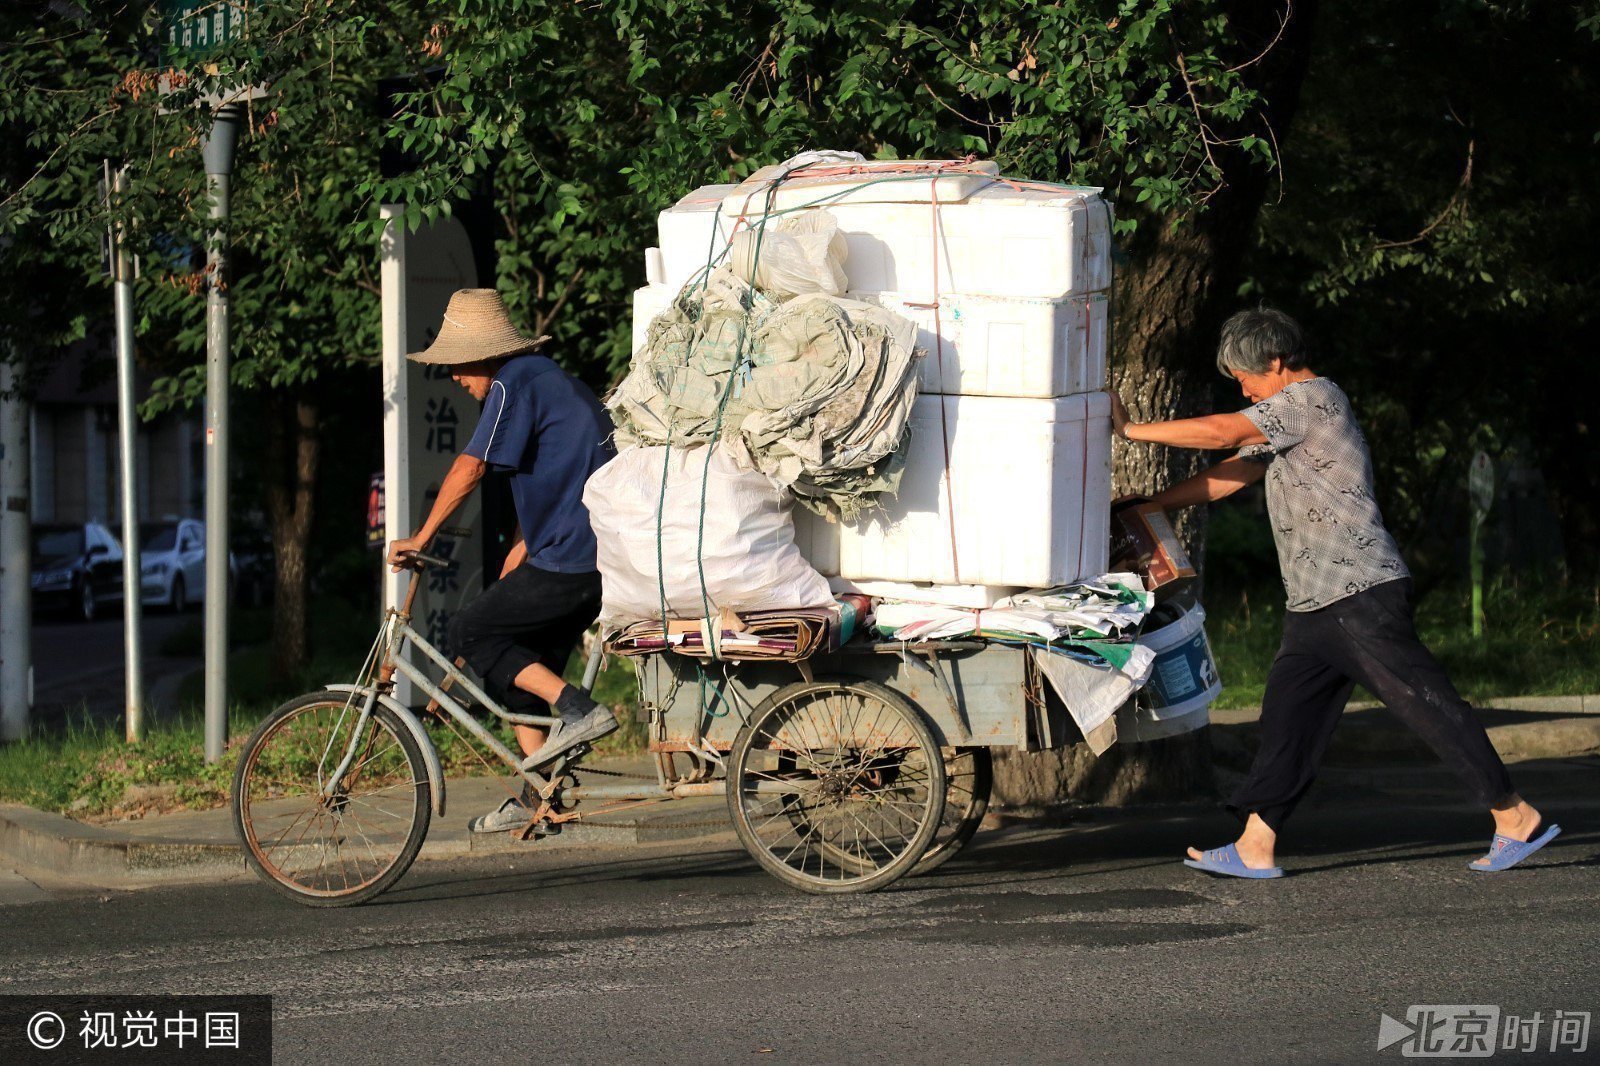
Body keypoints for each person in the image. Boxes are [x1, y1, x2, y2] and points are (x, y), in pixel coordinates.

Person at [1108, 307, 1558, 877]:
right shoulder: (1283, 420)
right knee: (1287, 723)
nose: (1244, 390)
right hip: (1313, 606)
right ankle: (1255, 845)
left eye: (1246, 378)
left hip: (1358, 591)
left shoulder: (1313, 399)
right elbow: (1232, 474)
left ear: (1276, 361)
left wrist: (1131, 430)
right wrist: (1152, 505)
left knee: (1427, 705)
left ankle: (1514, 815)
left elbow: (1225, 432)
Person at [388, 288, 619, 834]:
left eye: (457, 365)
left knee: (469, 631)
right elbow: (552, 483)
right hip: (588, 557)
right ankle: (541, 797)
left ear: (482, 356)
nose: (454, 377)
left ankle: (581, 710)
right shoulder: (546, 380)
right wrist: (520, 549)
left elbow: (470, 468)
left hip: (574, 558)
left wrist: (421, 536)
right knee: (516, 672)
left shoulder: (513, 382)